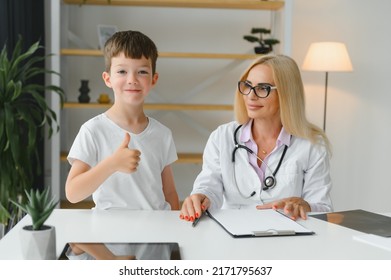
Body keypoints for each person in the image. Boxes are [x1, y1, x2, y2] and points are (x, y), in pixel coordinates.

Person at [65, 30, 179, 259]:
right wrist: (111, 164)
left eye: (142, 72)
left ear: (153, 79)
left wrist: (176, 231)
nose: (132, 79)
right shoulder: (93, 130)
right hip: (110, 237)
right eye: (122, 71)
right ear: (107, 78)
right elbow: (73, 193)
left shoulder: (162, 134)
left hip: (154, 237)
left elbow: (169, 192)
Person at [180, 54, 333, 222]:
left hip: (285, 237)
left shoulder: (312, 145)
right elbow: (209, 187)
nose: (250, 96)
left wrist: (305, 206)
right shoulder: (222, 137)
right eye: (247, 86)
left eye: (263, 88)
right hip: (232, 234)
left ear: (286, 94)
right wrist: (201, 197)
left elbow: (322, 207)